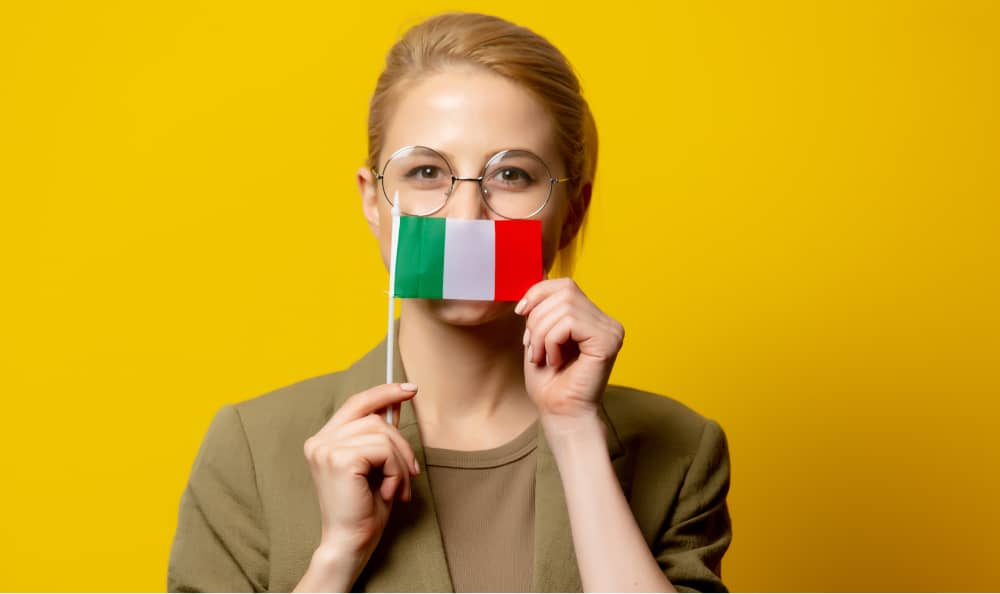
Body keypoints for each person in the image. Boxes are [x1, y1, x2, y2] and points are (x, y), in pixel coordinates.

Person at [167, 11, 732, 593]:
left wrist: (575, 432)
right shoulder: (251, 450)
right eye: (427, 171)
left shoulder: (680, 450)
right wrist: (336, 555)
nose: (467, 216)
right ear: (373, 202)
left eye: (511, 175)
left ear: (574, 211)